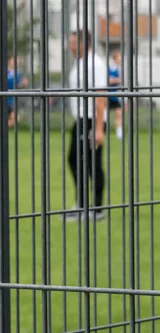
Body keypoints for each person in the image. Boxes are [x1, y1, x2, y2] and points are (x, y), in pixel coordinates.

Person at [65, 30, 107, 222]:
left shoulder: (94, 64)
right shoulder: (80, 62)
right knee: (75, 159)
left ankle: (97, 209)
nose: (70, 46)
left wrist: (98, 128)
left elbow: (100, 96)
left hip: (91, 119)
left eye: (73, 43)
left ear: (83, 44)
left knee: (92, 162)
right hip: (80, 119)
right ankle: (82, 204)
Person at [7, 54, 28, 128]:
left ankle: (0, 127)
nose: (17, 61)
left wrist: (23, 84)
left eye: (18, 60)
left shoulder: (17, 73)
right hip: (2, 98)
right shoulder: (4, 70)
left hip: (10, 100)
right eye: (14, 60)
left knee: (16, 119)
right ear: (9, 60)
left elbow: (17, 87)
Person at [108, 50, 124, 140]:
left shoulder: (119, 69)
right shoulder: (111, 68)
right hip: (108, 94)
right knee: (103, 114)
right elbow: (109, 80)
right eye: (119, 57)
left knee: (119, 113)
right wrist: (117, 80)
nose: (120, 59)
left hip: (116, 95)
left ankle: (119, 133)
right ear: (115, 58)